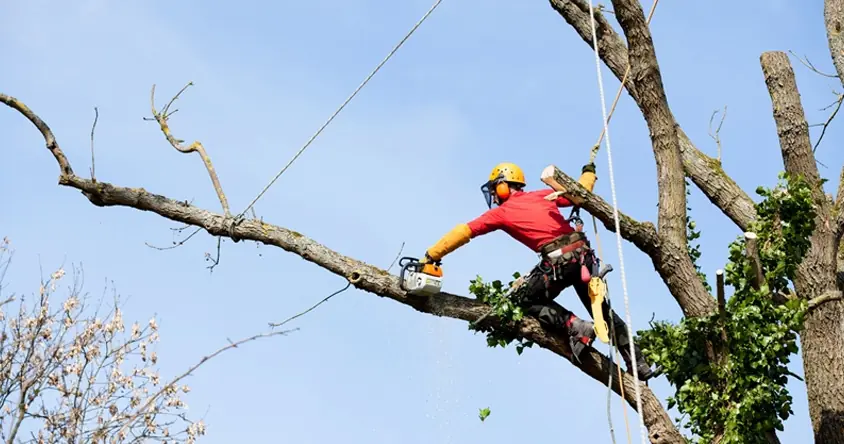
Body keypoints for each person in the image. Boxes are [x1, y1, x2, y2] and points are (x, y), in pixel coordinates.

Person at [419, 162, 653, 380]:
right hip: (582, 257)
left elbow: (465, 231)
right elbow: (581, 192)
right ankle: (638, 362)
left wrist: (432, 254)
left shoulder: (502, 212)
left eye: (494, 189)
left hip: (559, 261)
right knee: (601, 310)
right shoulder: (544, 195)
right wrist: (589, 171)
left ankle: (574, 325)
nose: (493, 196)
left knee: (523, 299)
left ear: (502, 186)